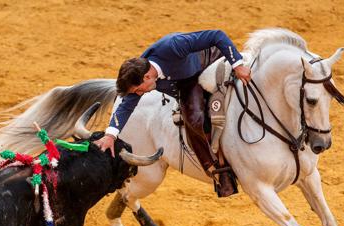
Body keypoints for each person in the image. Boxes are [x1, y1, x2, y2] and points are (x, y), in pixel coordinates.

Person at [95, 30, 251, 195]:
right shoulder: (139, 74)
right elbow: (126, 105)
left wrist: (237, 65)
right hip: (187, 82)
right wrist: (110, 135)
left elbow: (216, 35)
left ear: (147, 77)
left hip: (208, 60)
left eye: (139, 90)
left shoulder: (173, 45)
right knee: (195, 119)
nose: (139, 94)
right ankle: (216, 169)